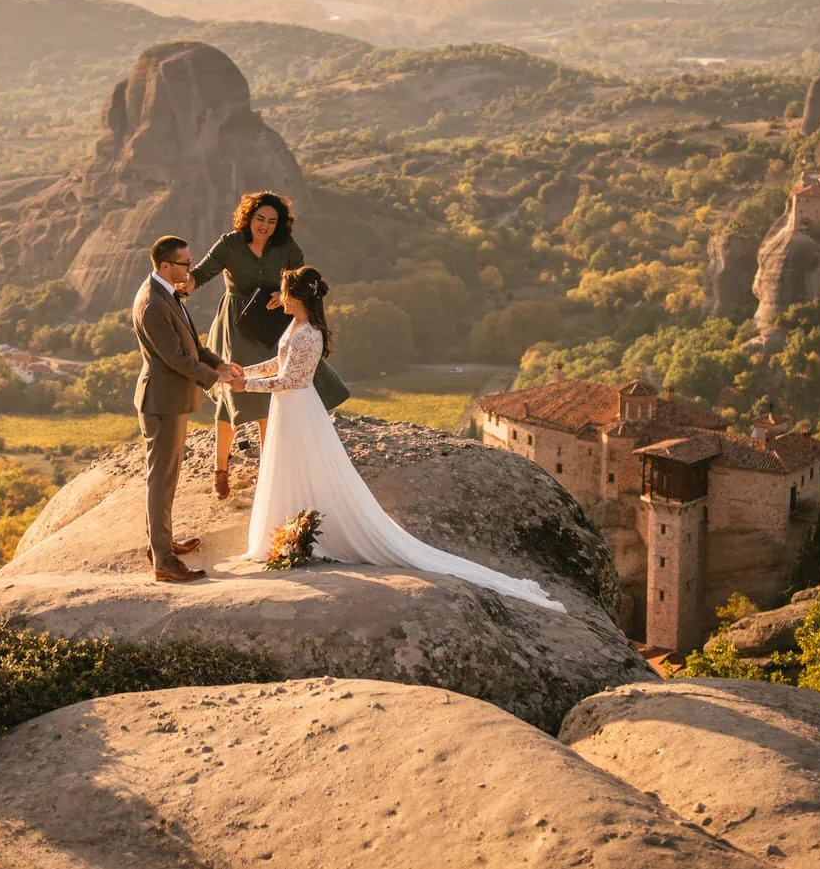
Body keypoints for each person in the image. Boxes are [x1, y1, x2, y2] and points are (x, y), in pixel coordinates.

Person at [239, 266, 567, 613]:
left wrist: (244, 385)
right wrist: (243, 372)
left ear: (298, 296)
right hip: (288, 410)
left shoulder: (309, 334)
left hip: (298, 407)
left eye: (284, 291)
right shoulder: (298, 326)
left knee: (304, 467)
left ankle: (304, 533)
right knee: (289, 468)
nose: (279, 297)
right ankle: (287, 529)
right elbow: (279, 362)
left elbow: (293, 380)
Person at [186, 191, 347, 500]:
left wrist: (281, 293)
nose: (265, 226)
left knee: (271, 397)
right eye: (260, 219)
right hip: (237, 324)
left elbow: (301, 279)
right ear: (248, 217)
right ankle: (220, 470)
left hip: (274, 321)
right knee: (230, 394)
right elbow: (201, 274)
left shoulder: (285, 246)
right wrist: (182, 284)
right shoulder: (229, 243)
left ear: (280, 224)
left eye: (272, 221)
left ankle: (269, 469)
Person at [131, 234, 243, 583]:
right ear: (165, 265)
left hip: (171, 399)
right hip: (161, 402)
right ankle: (163, 563)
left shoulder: (167, 293)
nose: (190, 269)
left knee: (166, 478)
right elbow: (176, 358)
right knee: (161, 481)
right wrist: (215, 378)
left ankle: (160, 545)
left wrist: (221, 364)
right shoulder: (153, 303)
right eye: (185, 263)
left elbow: (193, 345)